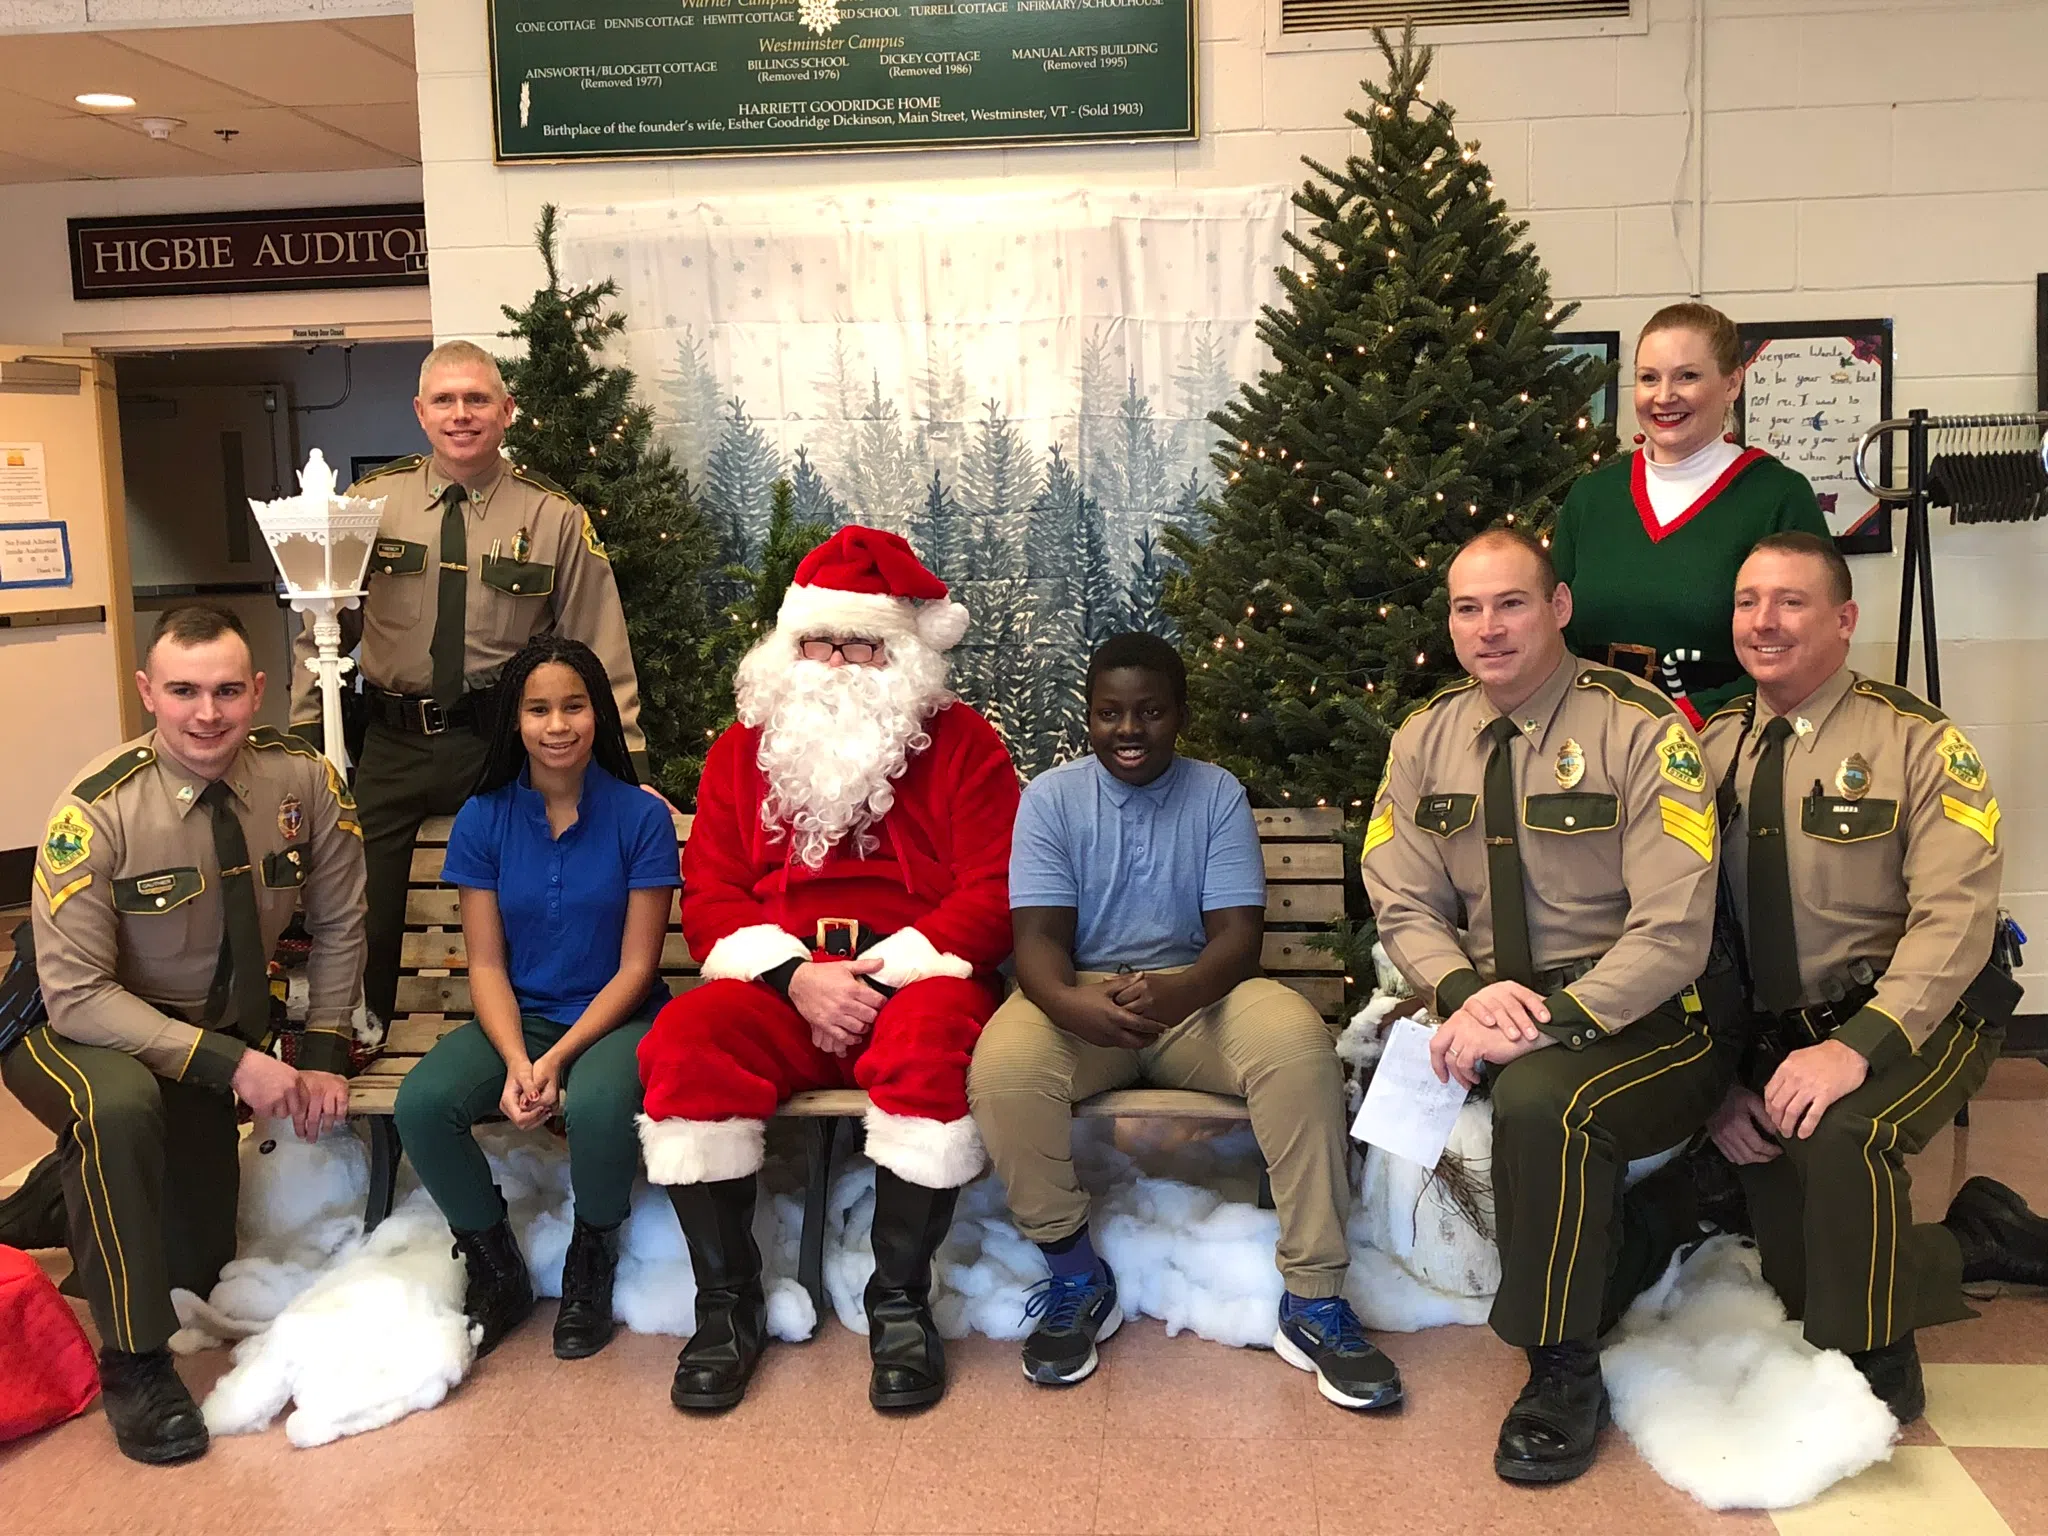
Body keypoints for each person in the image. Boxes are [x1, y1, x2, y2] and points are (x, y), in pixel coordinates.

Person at [1359, 528, 1725, 1485]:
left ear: (1559, 608)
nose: (1488, 629)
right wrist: (1465, 996)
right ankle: (1672, 1217)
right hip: (1486, 1003)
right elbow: (1399, 895)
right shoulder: (1424, 736)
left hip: (1648, 1017)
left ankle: (1561, 1370)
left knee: (1543, 1104)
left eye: (1511, 603)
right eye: (1466, 609)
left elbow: (1674, 929)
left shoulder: (1641, 728)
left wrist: (1543, 1024)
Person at [636, 526, 1018, 1414]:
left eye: (860, 644)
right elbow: (715, 895)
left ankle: (899, 1305)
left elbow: (997, 889)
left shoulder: (964, 745)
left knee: (934, 1057)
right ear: (788, 648)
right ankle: (727, 1308)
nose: (837, 663)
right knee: (688, 1042)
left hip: (917, 981)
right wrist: (795, 977)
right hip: (783, 987)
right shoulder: (745, 749)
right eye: (819, 642)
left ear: (902, 653)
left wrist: (881, 975)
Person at [968, 634, 1402, 1408]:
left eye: (1150, 712)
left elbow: (1238, 937)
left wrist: (1172, 996)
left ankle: (1313, 1299)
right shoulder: (1052, 800)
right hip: (1078, 999)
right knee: (1003, 1072)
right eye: (1109, 714)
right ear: (1089, 717)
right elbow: (1034, 940)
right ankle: (1074, 1277)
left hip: (1199, 996)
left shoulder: (1216, 793)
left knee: (1299, 1048)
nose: (1128, 730)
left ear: (1179, 717)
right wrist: (1073, 1004)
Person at [2, 606, 365, 1465]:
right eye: (184, 691)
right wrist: (236, 1064)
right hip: (67, 1024)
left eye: (228, 691)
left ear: (259, 691)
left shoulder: (301, 779)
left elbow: (344, 919)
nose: (208, 713)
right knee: (120, 1110)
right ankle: (136, 1368)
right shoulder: (97, 810)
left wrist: (317, 1053)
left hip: (199, 1037)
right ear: (147, 693)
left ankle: (51, 1198)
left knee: (195, 1263)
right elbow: (81, 995)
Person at [1699, 532, 2048, 1423]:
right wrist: (1726, 1080)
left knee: (1853, 1131)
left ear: (1845, 619)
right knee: (1801, 1273)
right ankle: (1980, 1240)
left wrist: (1860, 1048)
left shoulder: (1916, 740)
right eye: (1747, 601)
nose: (1763, 621)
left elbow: (1957, 918)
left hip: (1926, 1010)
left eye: (1791, 601)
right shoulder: (1711, 750)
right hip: (1786, 1030)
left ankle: (1872, 1370)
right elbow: (1693, 927)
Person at [289, 339, 649, 1030]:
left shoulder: (552, 517)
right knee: (362, 905)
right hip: (392, 745)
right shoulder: (367, 505)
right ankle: (369, 1041)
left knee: (531, 902)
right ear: (420, 412)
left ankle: (527, 1045)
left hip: (502, 745)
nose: (462, 414)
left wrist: (625, 769)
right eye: (446, 401)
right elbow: (322, 632)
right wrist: (307, 742)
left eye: (478, 399)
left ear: (507, 410)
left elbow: (601, 649)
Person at [392, 637, 679, 1362]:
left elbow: (638, 967)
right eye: (539, 709)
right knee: (421, 1104)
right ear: (514, 722)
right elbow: (485, 963)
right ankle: (495, 1264)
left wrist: (556, 1059)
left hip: (618, 1014)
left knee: (596, 1103)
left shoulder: (638, 818)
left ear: (598, 715)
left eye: (574, 706)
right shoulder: (484, 818)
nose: (558, 725)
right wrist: (520, 1058)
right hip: (518, 1016)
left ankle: (592, 1259)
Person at [1552, 301, 1831, 729]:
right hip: (1593, 739)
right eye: (1649, 378)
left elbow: (1808, 641)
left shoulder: (1778, 495)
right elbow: (1553, 629)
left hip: (1727, 741)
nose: (1664, 396)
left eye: (1687, 376)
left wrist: (1681, 720)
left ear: (1732, 382)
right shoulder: (1591, 497)